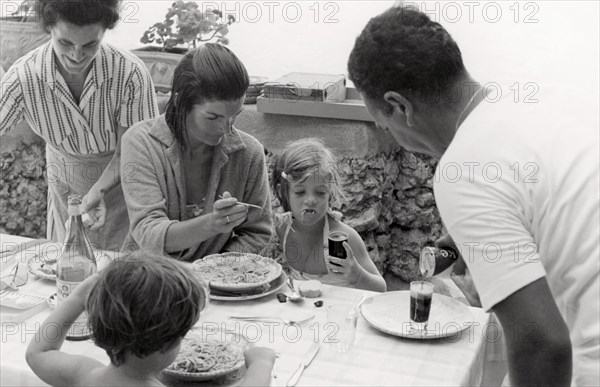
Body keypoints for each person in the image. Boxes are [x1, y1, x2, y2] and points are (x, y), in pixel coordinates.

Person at [348, 6, 599, 386]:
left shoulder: (464, 167)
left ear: (400, 107)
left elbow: (542, 343)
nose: (396, 139)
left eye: (385, 125)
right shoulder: (538, 99)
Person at [0, 0, 159, 251]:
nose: (76, 55)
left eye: (89, 45)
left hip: (124, 188)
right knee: (68, 266)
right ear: (49, 28)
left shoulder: (130, 74)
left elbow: (135, 150)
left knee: (124, 276)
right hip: (66, 187)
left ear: (105, 32)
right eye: (65, 43)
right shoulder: (24, 76)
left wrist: (99, 191)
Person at [25, 253, 276, 387]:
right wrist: (261, 363)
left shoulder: (86, 376)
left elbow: (39, 352)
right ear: (168, 345)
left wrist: (79, 297)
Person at [120, 43, 272, 261]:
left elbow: (257, 232)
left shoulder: (249, 153)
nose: (226, 128)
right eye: (213, 117)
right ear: (180, 101)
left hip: (219, 286)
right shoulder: (140, 143)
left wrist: (218, 270)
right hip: (147, 281)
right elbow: (149, 233)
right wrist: (212, 224)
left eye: (235, 115)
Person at [271, 138, 386, 292]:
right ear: (282, 192)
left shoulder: (344, 237)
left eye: (320, 192)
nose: (310, 200)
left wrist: (357, 276)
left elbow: (381, 289)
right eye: (300, 192)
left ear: (329, 193)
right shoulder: (283, 228)